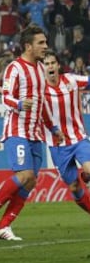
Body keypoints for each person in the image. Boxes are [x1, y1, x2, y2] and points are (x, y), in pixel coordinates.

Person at [0, 25, 62, 241]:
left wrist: (52, 127)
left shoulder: (40, 69)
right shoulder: (15, 68)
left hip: (35, 133)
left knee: (31, 181)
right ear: (28, 46)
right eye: (41, 43)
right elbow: (6, 97)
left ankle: (5, 225)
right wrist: (18, 103)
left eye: (45, 42)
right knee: (24, 175)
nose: (45, 46)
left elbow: (41, 103)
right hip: (17, 130)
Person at [42, 50, 90, 214]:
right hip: (57, 146)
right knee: (74, 186)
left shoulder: (71, 80)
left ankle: (87, 175)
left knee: (89, 169)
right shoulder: (38, 89)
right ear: (42, 67)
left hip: (78, 138)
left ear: (58, 65)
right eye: (47, 63)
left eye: (52, 63)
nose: (50, 66)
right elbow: (12, 95)